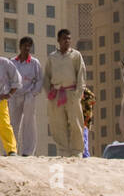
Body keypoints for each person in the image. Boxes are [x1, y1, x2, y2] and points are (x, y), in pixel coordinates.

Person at [44, 28, 87, 157]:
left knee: (75, 122)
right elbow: (46, 76)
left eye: (68, 38)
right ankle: (63, 150)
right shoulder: (52, 57)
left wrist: (78, 94)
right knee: (58, 124)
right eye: (64, 38)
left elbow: (81, 74)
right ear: (58, 40)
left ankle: (77, 151)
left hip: (71, 92)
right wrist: (49, 94)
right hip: (56, 94)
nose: (66, 41)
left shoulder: (76, 55)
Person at [9, 36, 44, 156]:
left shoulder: (35, 63)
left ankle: (28, 152)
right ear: (20, 47)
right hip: (14, 96)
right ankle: (11, 149)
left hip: (28, 95)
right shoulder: (12, 62)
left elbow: (39, 80)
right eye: (25, 45)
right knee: (13, 122)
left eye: (29, 46)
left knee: (29, 123)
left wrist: (33, 93)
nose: (27, 48)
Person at [80, 85, 96, 158]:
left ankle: (85, 156)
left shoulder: (85, 92)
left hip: (84, 121)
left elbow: (93, 99)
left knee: (84, 139)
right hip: (81, 120)